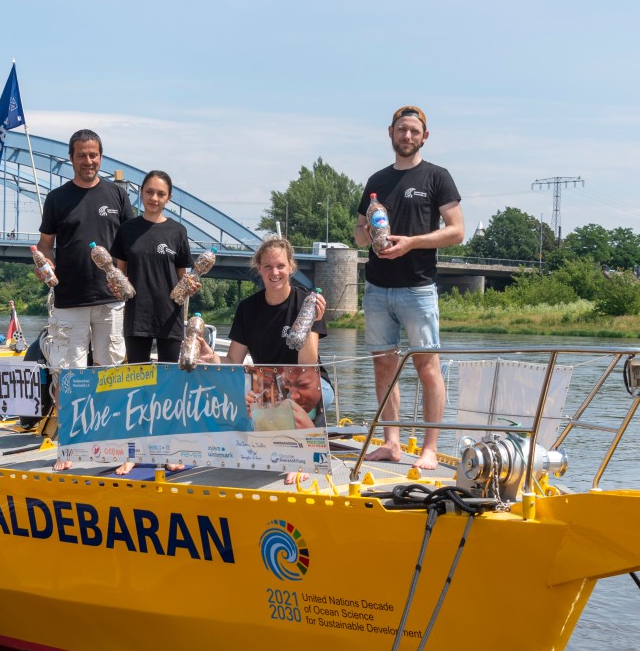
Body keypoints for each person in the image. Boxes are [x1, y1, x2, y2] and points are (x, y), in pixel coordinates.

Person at [354, 105, 465, 470]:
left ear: (424, 137)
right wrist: (369, 235)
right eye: (402, 130)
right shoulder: (376, 181)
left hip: (418, 288)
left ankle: (430, 448)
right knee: (383, 367)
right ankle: (391, 442)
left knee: (427, 367)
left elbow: (456, 231)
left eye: (414, 132)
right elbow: (357, 234)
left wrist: (412, 243)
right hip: (377, 288)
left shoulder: (437, 177)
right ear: (390, 133)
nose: (407, 137)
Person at [198, 237, 329, 483]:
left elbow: (307, 365)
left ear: (291, 266)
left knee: (285, 396)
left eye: (280, 265)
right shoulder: (248, 308)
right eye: (267, 266)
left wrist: (310, 322)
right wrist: (212, 357)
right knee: (240, 393)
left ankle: (304, 457)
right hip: (266, 387)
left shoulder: (308, 303)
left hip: (310, 384)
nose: (275, 272)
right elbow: (234, 360)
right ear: (259, 269)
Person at [36, 129, 134, 371]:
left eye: (93, 155)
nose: (88, 161)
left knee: (110, 371)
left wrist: (124, 278)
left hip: (111, 298)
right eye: (81, 155)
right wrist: (45, 264)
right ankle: (66, 411)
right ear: (71, 157)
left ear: (101, 157)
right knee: (67, 371)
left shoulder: (118, 195)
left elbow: (130, 244)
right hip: (69, 299)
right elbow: (45, 244)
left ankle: (107, 411)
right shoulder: (56, 198)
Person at [112, 170, 194, 364]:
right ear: (141, 193)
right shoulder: (127, 230)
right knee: (138, 378)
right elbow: (119, 273)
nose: (154, 198)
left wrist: (191, 285)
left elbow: (182, 276)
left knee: (169, 378)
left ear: (169, 198)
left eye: (161, 194)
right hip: (137, 316)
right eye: (149, 192)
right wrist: (115, 286)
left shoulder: (178, 231)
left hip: (170, 315)